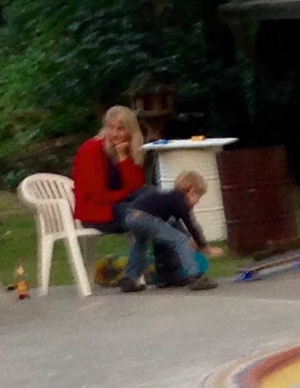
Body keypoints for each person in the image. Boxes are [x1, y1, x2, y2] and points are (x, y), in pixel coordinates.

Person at [70, 105, 147, 266]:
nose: (114, 134)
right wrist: (127, 193)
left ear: (131, 131)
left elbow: (137, 186)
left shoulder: (128, 149)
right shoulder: (91, 149)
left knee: (158, 200)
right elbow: (98, 196)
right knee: (150, 213)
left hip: (121, 206)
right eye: (110, 128)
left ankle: (172, 269)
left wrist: (123, 157)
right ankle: (171, 267)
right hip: (98, 213)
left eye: (120, 129)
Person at [112, 172, 215, 289]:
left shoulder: (169, 198)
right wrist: (202, 245)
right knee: (181, 240)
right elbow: (191, 225)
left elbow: (174, 224)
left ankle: (130, 279)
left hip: (131, 215)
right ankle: (195, 277)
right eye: (198, 196)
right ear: (191, 191)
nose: (198, 201)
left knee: (140, 245)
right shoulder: (179, 200)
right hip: (145, 217)